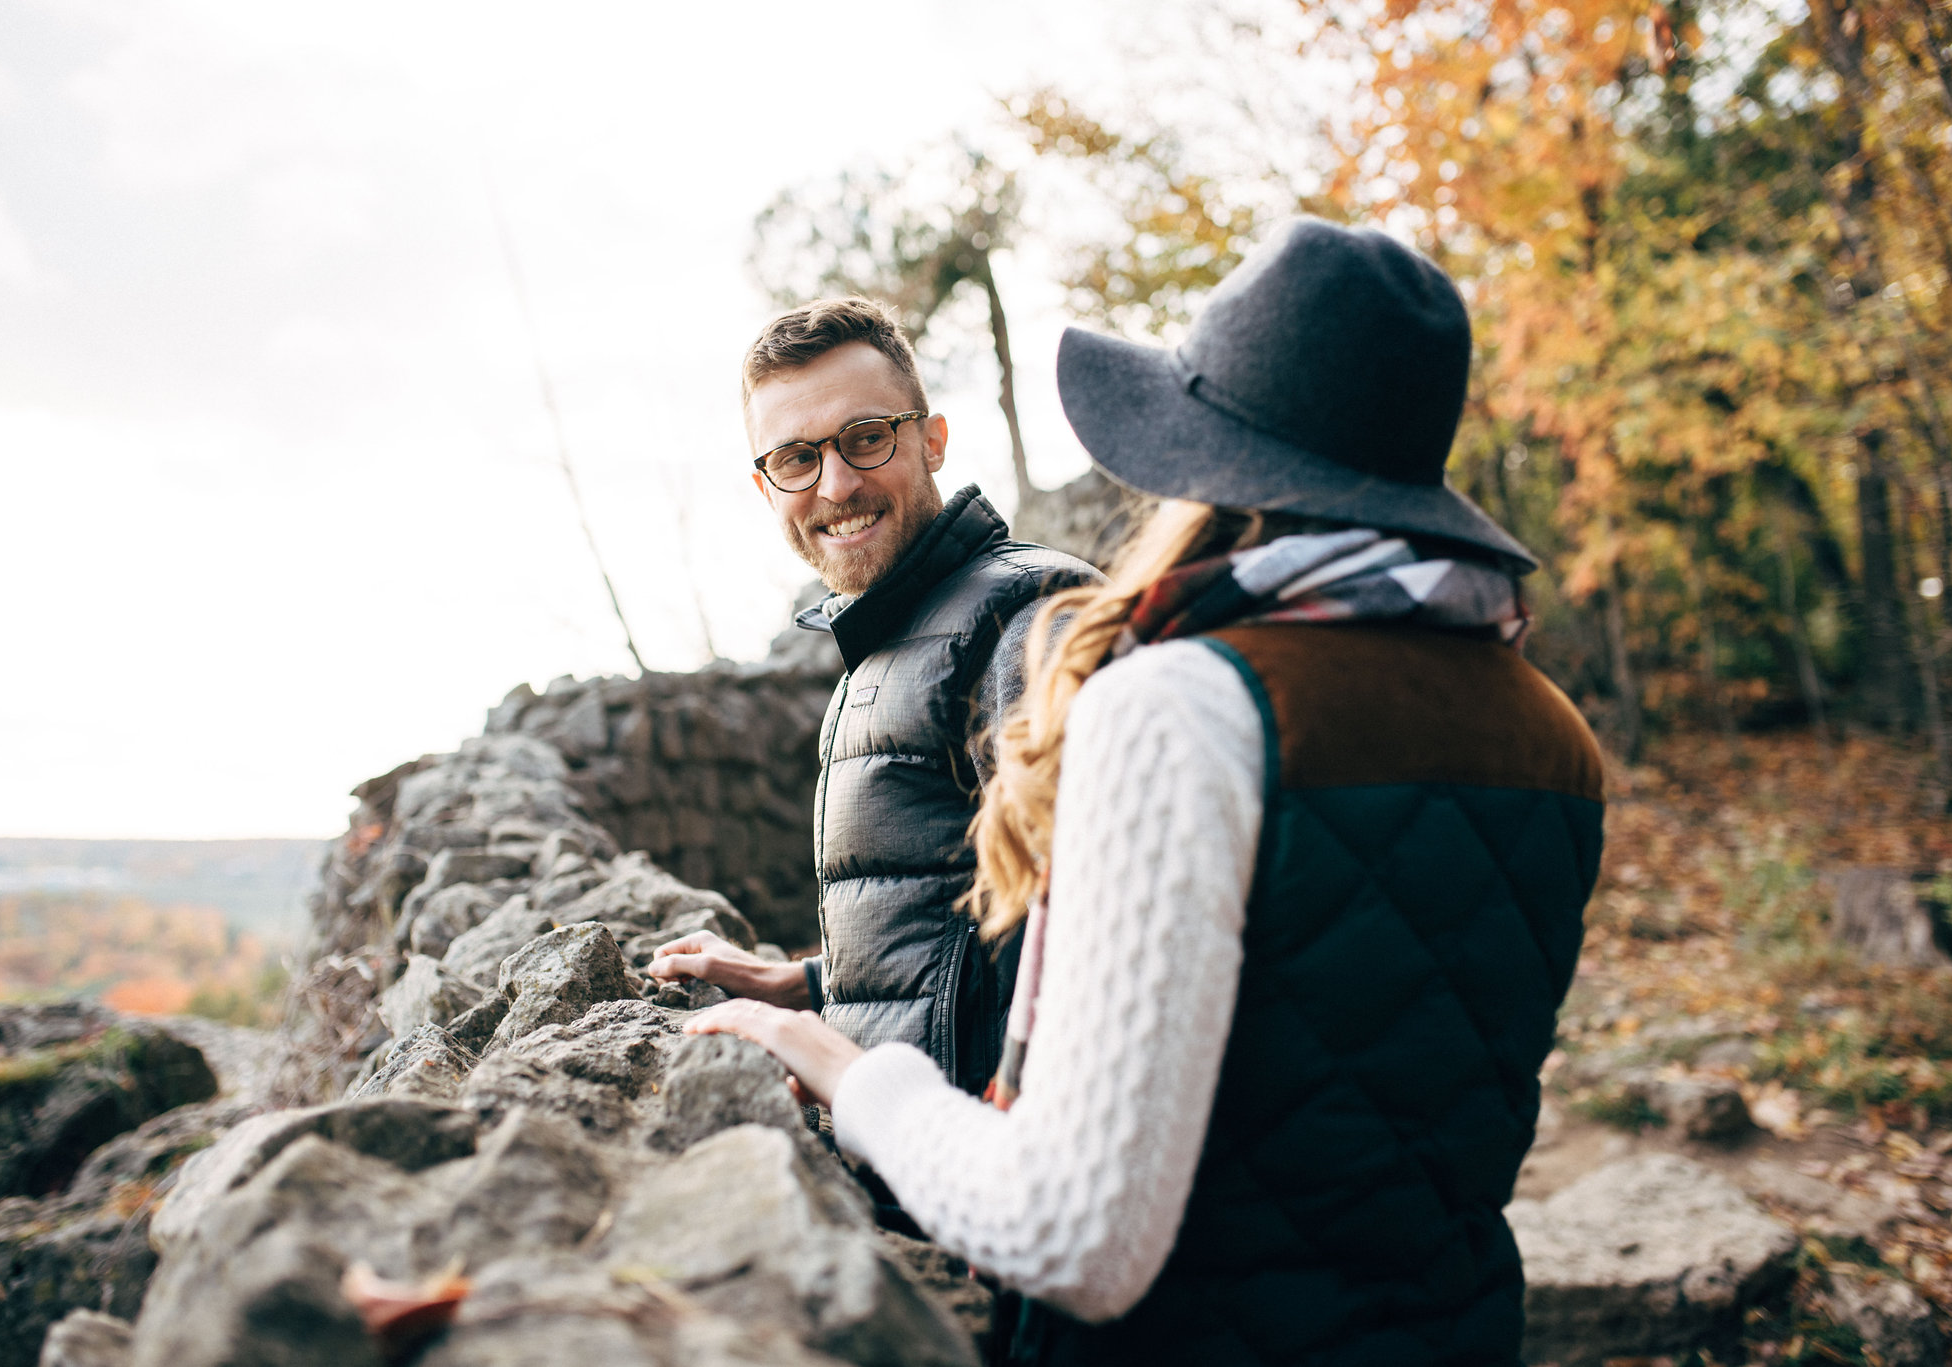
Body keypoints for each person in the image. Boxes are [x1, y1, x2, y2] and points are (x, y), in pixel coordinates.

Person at [681, 219, 1607, 1365]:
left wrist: (851, 1071)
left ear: (1206, 452)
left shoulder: (1178, 701)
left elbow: (1074, 1233)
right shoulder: (1553, 732)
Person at [647, 298, 1098, 1103]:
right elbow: (964, 929)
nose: (837, 485)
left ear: (931, 440)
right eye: (795, 459)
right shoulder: (887, 638)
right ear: (765, 485)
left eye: (865, 439)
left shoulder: (1027, 619)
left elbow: (1098, 937)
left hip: (983, 1194)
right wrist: (812, 983)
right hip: (915, 1169)